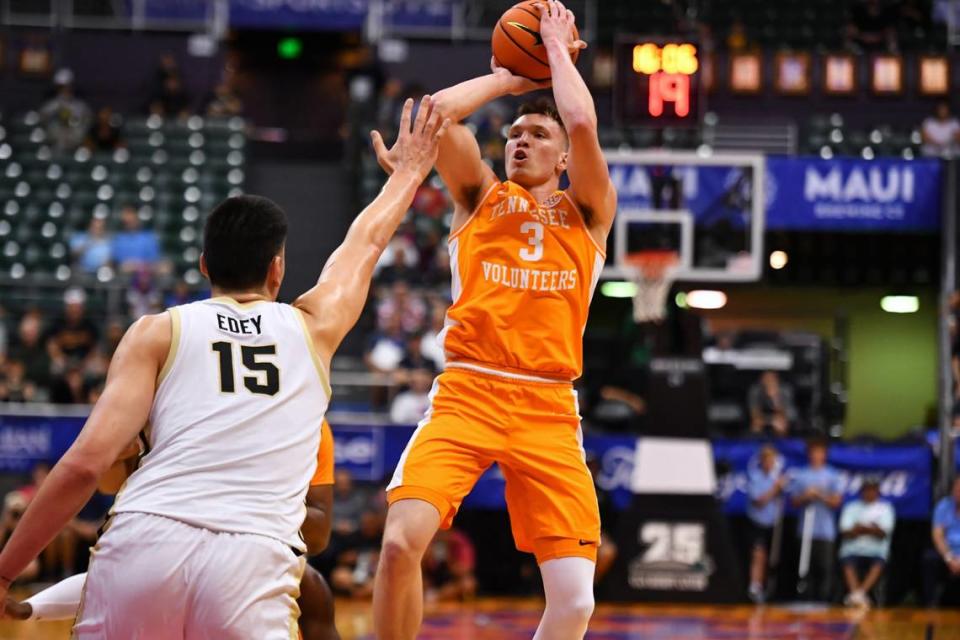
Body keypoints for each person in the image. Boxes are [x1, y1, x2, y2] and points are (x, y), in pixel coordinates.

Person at [0, 97, 448, 637]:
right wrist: (411, 172)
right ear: (277, 269)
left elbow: (82, 466)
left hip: (145, 537)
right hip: (252, 555)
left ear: (205, 264)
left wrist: (5, 571)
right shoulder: (313, 328)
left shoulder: (157, 331)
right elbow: (367, 242)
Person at [369, 3, 615, 638]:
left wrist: (555, 50)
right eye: (513, 134)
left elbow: (583, 120)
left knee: (576, 602)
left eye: (537, 134)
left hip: (548, 405)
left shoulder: (588, 213)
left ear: (563, 160)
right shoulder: (479, 196)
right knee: (399, 545)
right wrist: (510, 77)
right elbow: (436, 116)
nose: (520, 140)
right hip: (469, 392)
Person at [2, 419, 342, 640]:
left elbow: (318, 534)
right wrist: (32, 607)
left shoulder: (307, 424)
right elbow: (113, 577)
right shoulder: (165, 426)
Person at [789, 438, 843, 602]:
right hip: (805, 530)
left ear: (824, 454)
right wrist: (806, 496)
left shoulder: (832, 475)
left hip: (825, 531)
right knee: (805, 566)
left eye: (819, 452)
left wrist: (819, 495)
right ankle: (806, 599)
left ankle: (824, 600)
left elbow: (836, 502)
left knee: (825, 567)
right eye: (813, 452)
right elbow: (794, 502)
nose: (816, 455)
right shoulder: (801, 475)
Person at [838, 477, 895, 608]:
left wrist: (861, 528)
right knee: (847, 561)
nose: (869, 493)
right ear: (861, 491)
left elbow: (883, 533)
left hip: (876, 550)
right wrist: (871, 529)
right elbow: (846, 532)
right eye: (866, 490)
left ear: (878, 491)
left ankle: (858, 594)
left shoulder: (885, 508)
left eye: (873, 490)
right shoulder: (851, 507)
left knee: (878, 562)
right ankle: (858, 595)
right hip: (853, 549)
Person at [746, 444, 786, 603]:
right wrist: (775, 489)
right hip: (757, 522)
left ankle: (769, 587)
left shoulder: (776, 478)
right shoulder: (755, 477)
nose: (769, 463)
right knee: (758, 554)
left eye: (772, 460)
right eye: (766, 460)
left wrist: (779, 488)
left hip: (773, 523)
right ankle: (755, 586)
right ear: (762, 461)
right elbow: (759, 501)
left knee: (771, 555)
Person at [925, 476, 960, 606]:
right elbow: (938, 535)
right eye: (957, 489)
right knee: (929, 559)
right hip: (947, 552)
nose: (959, 492)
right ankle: (930, 604)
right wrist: (949, 558)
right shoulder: (944, 506)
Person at [38, 69, 91, 152]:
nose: (65, 90)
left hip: (76, 144)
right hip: (55, 144)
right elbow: (43, 119)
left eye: (67, 86)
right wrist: (58, 108)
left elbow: (87, 122)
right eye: (61, 87)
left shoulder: (80, 106)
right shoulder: (51, 105)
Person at [111, 206, 165, 275]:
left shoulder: (149, 238)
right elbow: (115, 261)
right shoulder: (118, 238)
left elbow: (155, 261)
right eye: (126, 220)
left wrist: (136, 266)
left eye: (131, 218)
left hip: (145, 275)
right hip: (122, 276)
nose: (128, 220)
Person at [748, 371, 798, 437]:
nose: (769, 381)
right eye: (766, 378)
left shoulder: (785, 390)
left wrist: (775, 396)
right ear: (761, 379)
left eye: (772, 378)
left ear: (777, 379)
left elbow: (783, 415)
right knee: (755, 427)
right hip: (764, 417)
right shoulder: (755, 390)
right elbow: (755, 415)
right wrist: (766, 421)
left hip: (783, 416)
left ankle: (780, 443)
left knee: (780, 425)